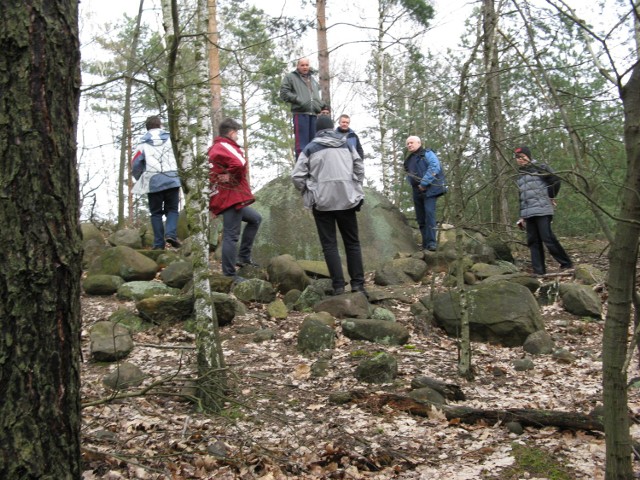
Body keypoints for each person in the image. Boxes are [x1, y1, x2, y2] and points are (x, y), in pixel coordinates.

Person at [291, 116, 366, 296]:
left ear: (317, 130)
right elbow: (359, 167)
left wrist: (311, 192)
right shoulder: (346, 145)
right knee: (352, 243)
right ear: (332, 128)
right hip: (347, 199)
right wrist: (354, 185)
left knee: (329, 245)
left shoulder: (310, 149)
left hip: (322, 203)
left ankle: (339, 286)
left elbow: (297, 176)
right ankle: (358, 285)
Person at [208, 118, 262, 281]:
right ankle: (229, 275)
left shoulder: (215, 148)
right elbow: (240, 162)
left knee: (255, 219)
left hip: (227, 196)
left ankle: (243, 257)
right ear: (231, 132)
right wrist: (231, 176)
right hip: (229, 196)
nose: (237, 136)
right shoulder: (224, 146)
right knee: (231, 235)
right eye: (236, 133)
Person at [515, 146, 573, 275]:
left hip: (542, 209)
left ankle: (566, 264)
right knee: (533, 242)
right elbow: (522, 197)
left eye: (522, 157)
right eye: (518, 158)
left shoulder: (540, 168)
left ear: (529, 157)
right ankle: (539, 271)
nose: (520, 160)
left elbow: (555, 180)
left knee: (547, 238)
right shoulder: (520, 176)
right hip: (528, 213)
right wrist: (522, 216)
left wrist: (551, 196)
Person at [131, 115, 182, 250]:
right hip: (172, 179)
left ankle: (159, 244)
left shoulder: (142, 143)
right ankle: (170, 234)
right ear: (160, 125)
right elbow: (181, 155)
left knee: (156, 213)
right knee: (172, 210)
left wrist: (141, 178)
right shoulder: (171, 139)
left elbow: (136, 165)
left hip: (153, 181)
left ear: (147, 127)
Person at [403, 136, 447, 251]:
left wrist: (424, 183)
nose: (409, 145)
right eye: (407, 144)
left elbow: (434, 167)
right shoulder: (409, 159)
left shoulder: (427, 153)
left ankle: (432, 243)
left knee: (429, 215)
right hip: (416, 190)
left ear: (419, 143)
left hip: (430, 189)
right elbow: (409, 173)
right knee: (420, 218)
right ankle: (425, 244)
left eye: (411, 143)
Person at [279, 58, 324, 158]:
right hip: (301, 113)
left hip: (313, 114)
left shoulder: (312, 79)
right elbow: (284, 93)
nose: (305, 67)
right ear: (298, 66)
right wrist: (299, 100)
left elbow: (315, 96)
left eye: (307, 65)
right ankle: (301, 169)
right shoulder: (291, 77)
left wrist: (321, 105)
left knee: (314, 144)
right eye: (302, 65)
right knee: (302, 145)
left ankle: (312, 168)